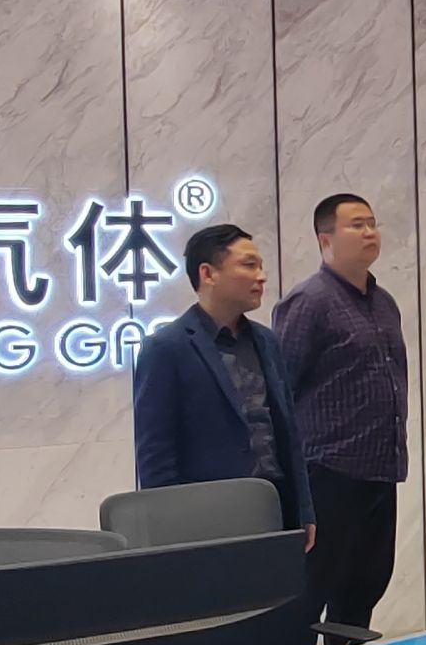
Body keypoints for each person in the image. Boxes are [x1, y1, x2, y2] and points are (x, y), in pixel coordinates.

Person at [274, 194, 409, 645]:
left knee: (363, 590)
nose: (369, 232)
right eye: (356, 225)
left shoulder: (384, 302)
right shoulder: (308, 302)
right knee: (309, 596)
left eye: (372, 223)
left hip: (380, 471)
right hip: (327, 474)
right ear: (325, 239)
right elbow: (281, 391)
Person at [131, 224, 315, 554]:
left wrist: (304, 510)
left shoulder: (266, 341)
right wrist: (168, 530)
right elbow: (155, 454)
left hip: (275, 509)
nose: (261, 277)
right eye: (248, 265)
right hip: (205, 521)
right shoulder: (166, 348)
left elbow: (288, 433)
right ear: (208, 273)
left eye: (261, 266)